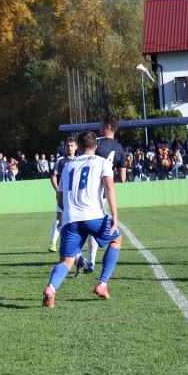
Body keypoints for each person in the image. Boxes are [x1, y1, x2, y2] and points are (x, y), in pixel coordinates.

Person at [42, 131, 122, 308]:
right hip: (93, 215)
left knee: (67, 261)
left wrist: (66, 213)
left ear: (78, 146)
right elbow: (109, 187)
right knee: (116, 240)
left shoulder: (68, 165)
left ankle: (50, 289)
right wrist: (115, 216)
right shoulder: (102, 162)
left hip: (71, 218)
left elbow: (60, 197)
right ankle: (102, 284)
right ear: (96, 146)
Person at [84, 113, 126, 274]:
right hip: (103, 193)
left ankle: (88, 260)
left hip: (88, 190)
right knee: (94, 225)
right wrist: (107, 178)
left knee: (81, 225)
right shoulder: (119, 148)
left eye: (101, 123)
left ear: (107, 126)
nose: (99, 126)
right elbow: (123, 178)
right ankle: (90, 261)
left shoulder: (97, 143)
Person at [47, 137, 77, 253]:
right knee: (60, 217)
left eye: (72, 145)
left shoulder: (79, 160)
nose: (69, 148)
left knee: (75, 219)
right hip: (63, 195)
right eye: (68, 146)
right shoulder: (60, 161)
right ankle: (53, 243)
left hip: (75, 196)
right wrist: (57, 190)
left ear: (76, 147)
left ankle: (71, 244)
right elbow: (53, 177)